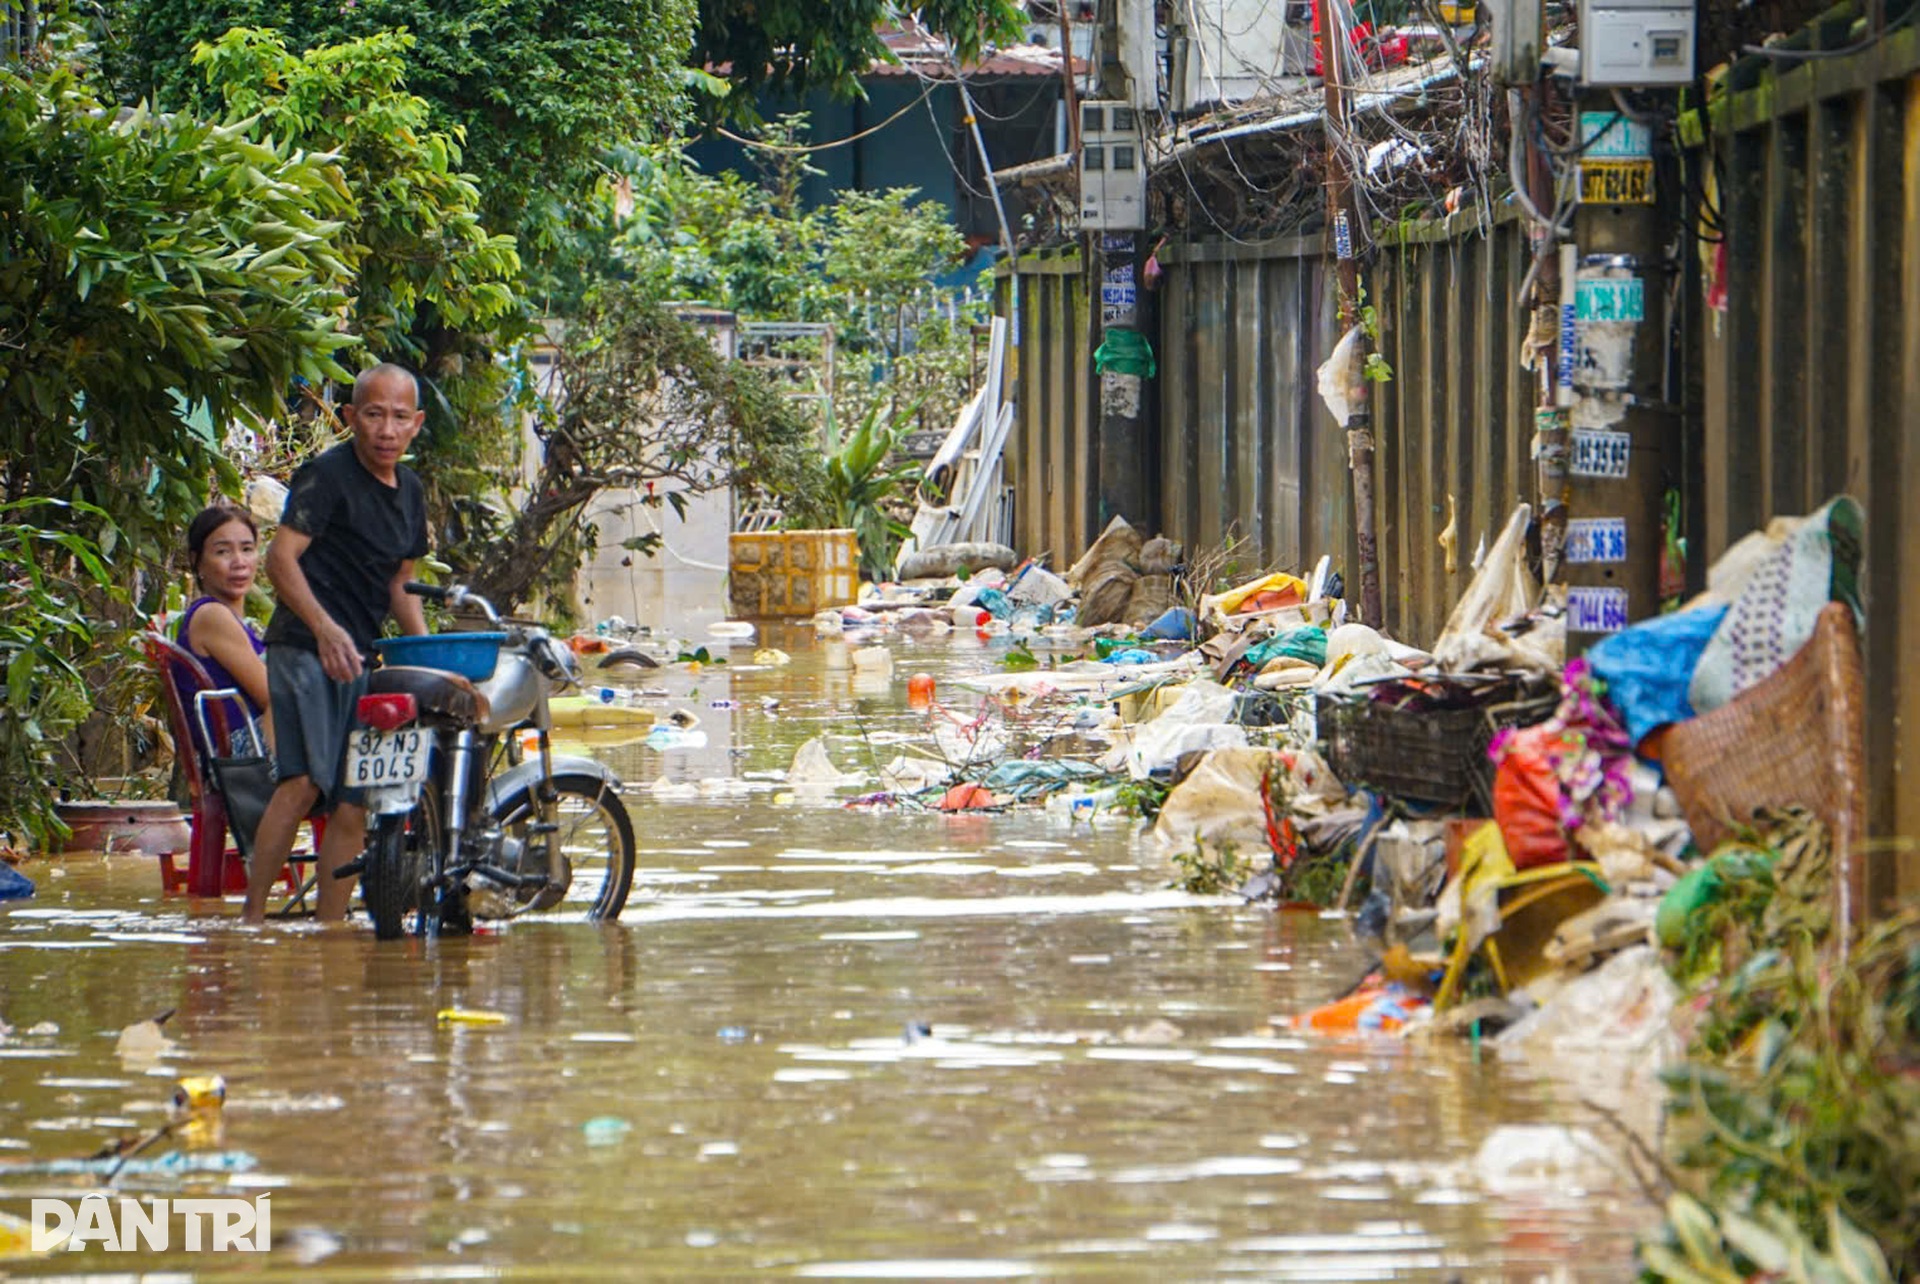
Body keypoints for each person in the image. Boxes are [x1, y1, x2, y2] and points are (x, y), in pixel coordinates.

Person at [242, 364, 430, 925]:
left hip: (360, 656)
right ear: (350, 418)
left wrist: (426, 653)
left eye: (400, 417)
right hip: (304, 645)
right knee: (303, 783)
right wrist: (324, 627)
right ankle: (250, 922)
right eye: (374, 415)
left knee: (355, 797)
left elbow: (401, 582)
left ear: (417, 424)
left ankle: (330, 928)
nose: (386, 430)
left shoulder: (411, 492)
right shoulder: (326, 475)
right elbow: (280, 560)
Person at [176, 505, 274, 756]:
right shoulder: (211, 615)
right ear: (197, 561)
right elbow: (271, 695)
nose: (239, 562)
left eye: (247, 549)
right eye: (222, 552)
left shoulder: (240, 623)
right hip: (239, 754)